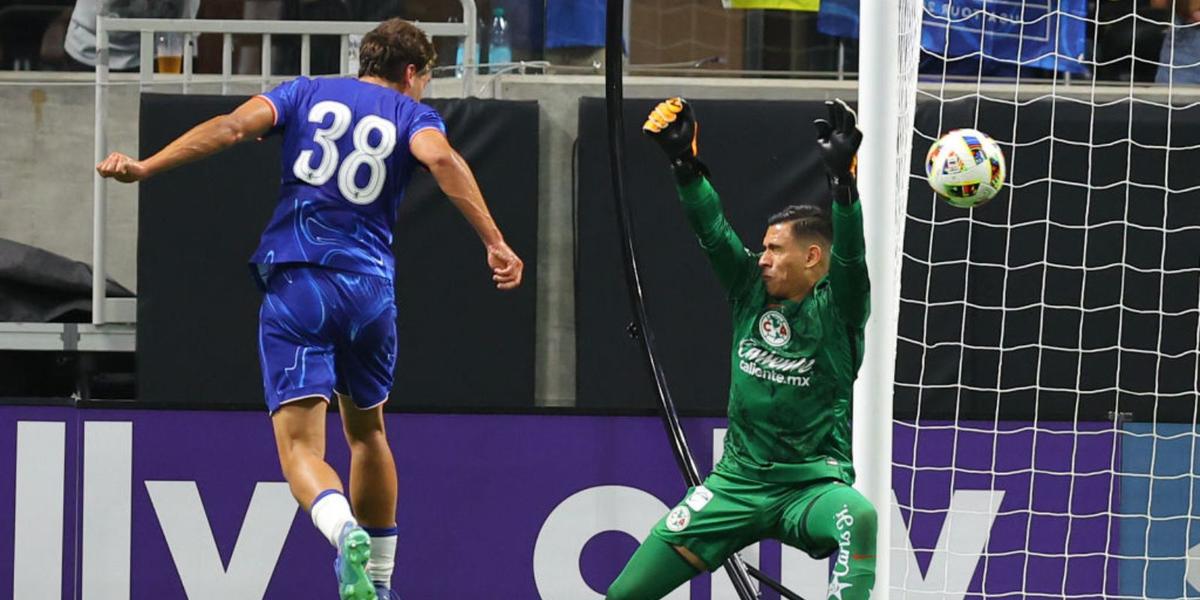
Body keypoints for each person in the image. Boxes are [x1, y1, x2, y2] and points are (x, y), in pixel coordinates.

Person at [96, 18, 523, 600]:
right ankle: (379, 581)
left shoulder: (303, 91)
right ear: (409, 73)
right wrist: (495, 241)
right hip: (370, 291)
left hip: (299, 284)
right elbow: (443, 161)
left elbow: (227, 128)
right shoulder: (412, 115)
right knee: (368, 432)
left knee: (301, 449)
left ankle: (342, 526)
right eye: (425, 78)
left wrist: (146, 166)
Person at [605, 97, 876, 600]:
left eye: (775, 249)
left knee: (859, 516)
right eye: (764, 248)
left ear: (812, 256)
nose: (763, 258)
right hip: (735, 487)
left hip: (810, 488)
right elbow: (712, 232)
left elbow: (854, 257)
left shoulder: (839, 308)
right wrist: (685, 168)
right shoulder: (749, 289)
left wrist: (843, 189)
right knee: (624, 594)